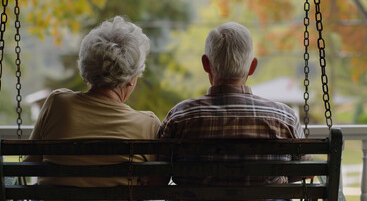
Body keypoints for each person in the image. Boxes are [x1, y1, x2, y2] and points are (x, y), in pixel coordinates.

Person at [158, 21, 309, 188]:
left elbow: (159, 175)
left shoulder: (180, 116)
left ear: (205, 64)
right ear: (252, 67)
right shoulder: (285, 117)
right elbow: (304, 170)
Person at [24, 16, 161, 187]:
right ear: (131, 79)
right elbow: (156, 185)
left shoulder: (58, 104)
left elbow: (29, 165)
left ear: (85, 66)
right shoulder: (148, 125)